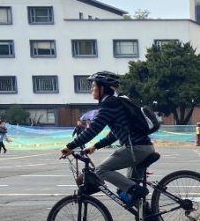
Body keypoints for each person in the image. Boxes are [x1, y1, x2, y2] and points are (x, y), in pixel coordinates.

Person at [59, 71, 155, 206]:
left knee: (101, 170)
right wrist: (95, 146)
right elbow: (115, 133)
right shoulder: (116, 102)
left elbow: (94, 129)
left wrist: (70, 146)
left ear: (102, 88)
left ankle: (136, 190)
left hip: (136, 148)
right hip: (144, 147)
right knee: (127, 192)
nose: (91, 89)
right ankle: (151, 220)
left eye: (93, 86)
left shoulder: (109, 104)